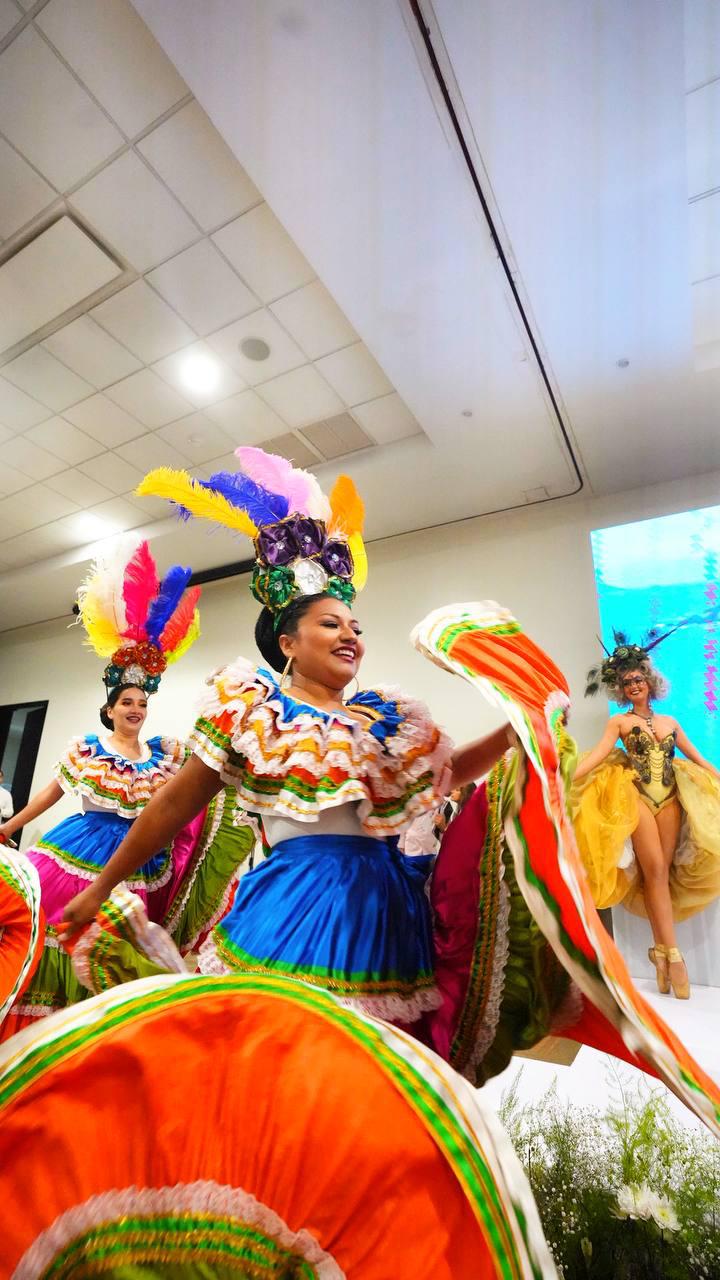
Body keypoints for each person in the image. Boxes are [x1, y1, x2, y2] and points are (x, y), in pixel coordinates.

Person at [61, 454, 512, 1024]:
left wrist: (515, 731)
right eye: (330, 623)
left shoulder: (384, 720)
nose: (349, 634)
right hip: (299, 908)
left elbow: (448, 773)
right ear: (288, 643)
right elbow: (173, 802)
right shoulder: (254, 711)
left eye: (355, 627)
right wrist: (103, 886)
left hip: (389, 915)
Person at [0, 540, 253, 1033]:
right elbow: (53, 793)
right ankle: (52, 1025)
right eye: (127, 702)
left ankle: (108, 1024)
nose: (136, 709)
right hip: (82, 847)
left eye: (142, 703)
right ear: (110, 708)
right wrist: (10, 825)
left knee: (124, 941)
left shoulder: (165, 752)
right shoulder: (89, 747)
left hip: (142, 857)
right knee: (62, 931)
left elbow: (193, 787)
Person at [572, 631, 720, 1000]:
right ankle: (674, 957)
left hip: (669, 797)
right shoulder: (619, 724)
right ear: (621, 690)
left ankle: (660, 954)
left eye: (638, 678)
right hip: (636, 796)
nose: (634, 684)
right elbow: (596, 758)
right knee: (653, 869)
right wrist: (560, 779)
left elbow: (698, 758)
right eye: (627, 682)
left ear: (649, 681)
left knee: (662, 875)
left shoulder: (670, 723)